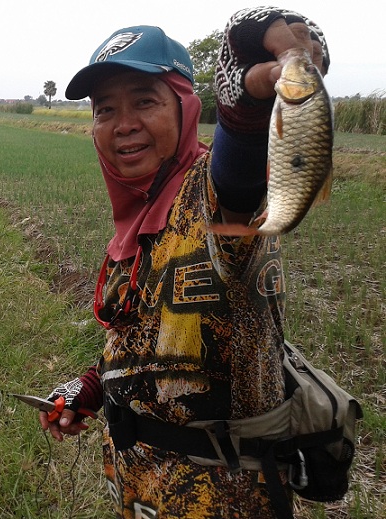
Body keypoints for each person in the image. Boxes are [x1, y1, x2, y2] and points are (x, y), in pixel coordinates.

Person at [38, 6, 330, 518]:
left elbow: (238, 158)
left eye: (145, 101)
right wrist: (85, 390)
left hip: (228, 499)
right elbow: (140, 336)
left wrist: (256, 50)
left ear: (186, 106)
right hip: (143, 492)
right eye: (104, 109)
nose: (123, 125)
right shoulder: (140, 214)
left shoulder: (215, 197)